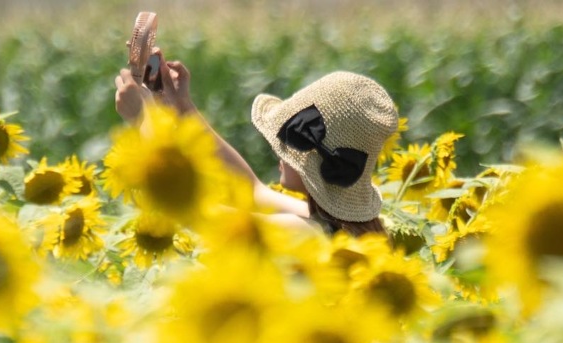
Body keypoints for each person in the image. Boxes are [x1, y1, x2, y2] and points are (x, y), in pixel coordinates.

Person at [114, 51, 399, 237]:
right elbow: (250, 189)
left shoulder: (304, 235)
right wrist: (183, 108)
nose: (279, 149)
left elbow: (191, 213)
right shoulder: (343, 227)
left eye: (288, 144)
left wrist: (145, 120)